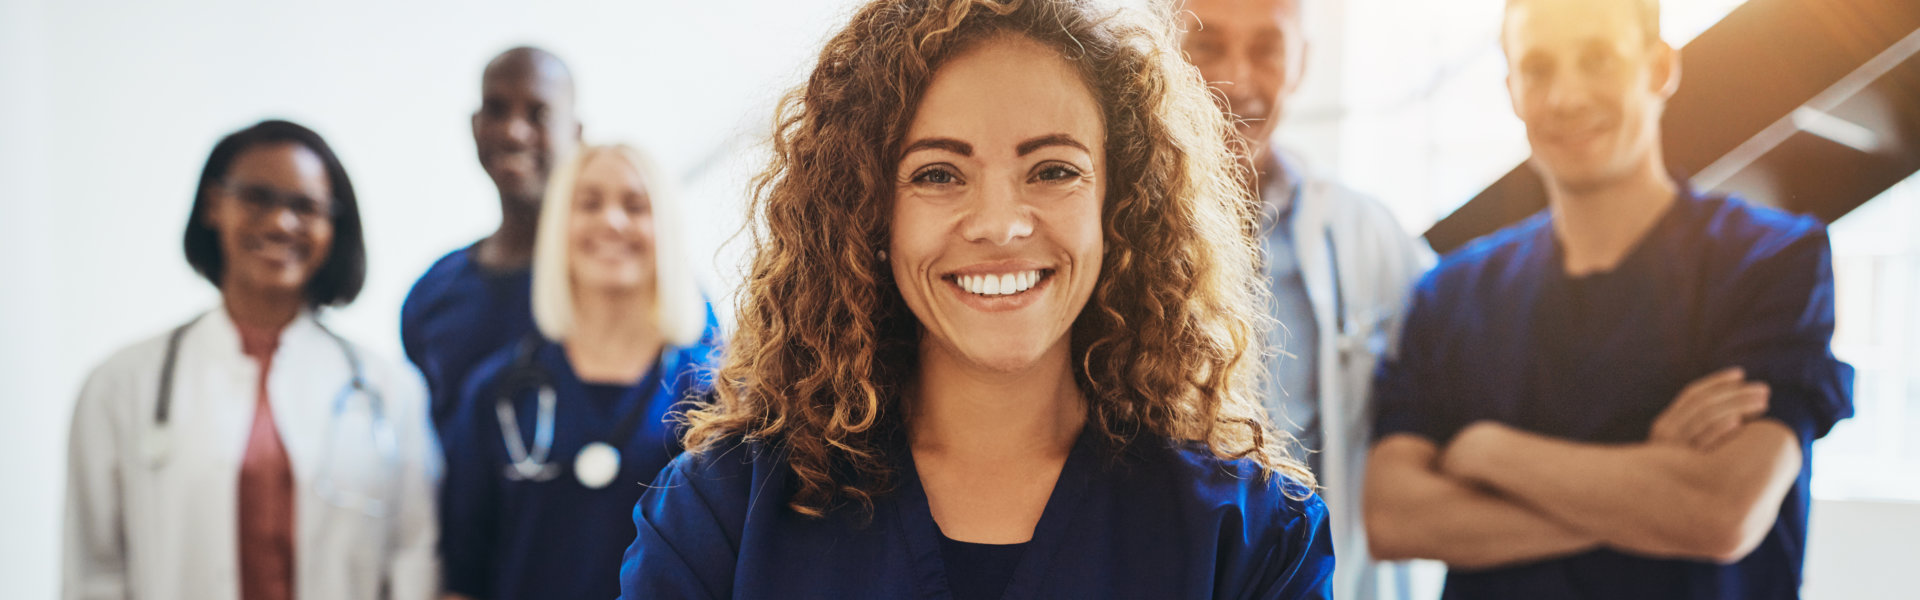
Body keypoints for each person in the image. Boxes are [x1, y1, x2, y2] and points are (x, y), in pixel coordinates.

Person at [621, 1, 1335, 598]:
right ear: (866, 211)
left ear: (1125, 205)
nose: (1000, 224)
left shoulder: (1251, 536)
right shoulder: (720, 516)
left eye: (1053, 170)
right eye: (937, 174)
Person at [1362, 0, 1854, 597]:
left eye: (1598, 60)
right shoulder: (1453, 292)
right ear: (1512, 89)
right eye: (1539, 68)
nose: (1566, 97)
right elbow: (1395, 518)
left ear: (1659, 69)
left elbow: (1721, 512)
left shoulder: (1771, 262)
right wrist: (1650, 488)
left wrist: (1487, 452)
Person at [63, 119, 440, 600]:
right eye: (258, 197)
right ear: (214, 205)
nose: (281, 222)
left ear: (333, 227)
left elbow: (413, 557)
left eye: (306, 206)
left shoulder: (389, 389)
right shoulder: (120, 385)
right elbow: (92, 571)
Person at [1177, 1, 1432, 597]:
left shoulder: (1365, 234)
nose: (1237, 81)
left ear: (1301, 62)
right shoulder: (1098, 229)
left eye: (1266, 49)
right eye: (1207, 46)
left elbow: (1467, 373)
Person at [438, 144, 718, 600]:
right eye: (588, 204)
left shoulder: (716, 397)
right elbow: (463, 578)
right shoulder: (496, 394)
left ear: (666, 229)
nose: (611, 221)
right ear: (558, 229)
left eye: (635, 205)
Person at [402, 46, 583, 437]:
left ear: (576, 133)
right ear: (474, 125)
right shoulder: (432, 294)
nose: (513, 131)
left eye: (539, 113)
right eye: (496, 110)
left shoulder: (628, 282)